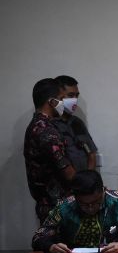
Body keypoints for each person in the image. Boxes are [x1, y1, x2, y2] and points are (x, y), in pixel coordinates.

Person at [32, 170, 118, 253]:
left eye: (96, 202)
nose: (90, 208)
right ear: (75, 197)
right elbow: (38, 237)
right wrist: (51, 247)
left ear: (103, 191)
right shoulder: (64, 207)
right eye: (84, 204)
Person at [24, 78, 76, 224]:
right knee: (62, 246)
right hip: (58, 206)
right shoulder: (46, 131)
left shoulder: (36, 125)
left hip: (49, 204)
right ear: (51, 101)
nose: (63, 103)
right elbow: (67, 172)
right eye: (60, 99)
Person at [52, 75, 98, 171]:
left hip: (85, 181)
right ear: (57, 97)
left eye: (76, 96)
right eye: (70, 95)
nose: (75, 100)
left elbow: (91, 154)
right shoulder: (49, 126)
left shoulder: (77, 122)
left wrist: (89, 179)